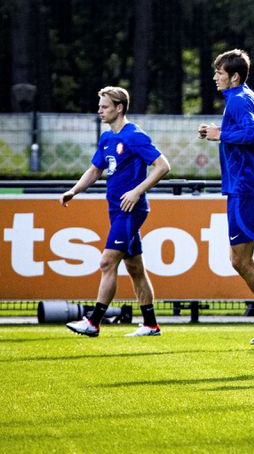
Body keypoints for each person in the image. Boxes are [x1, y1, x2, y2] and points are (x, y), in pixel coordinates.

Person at [197, 49, 254, 349]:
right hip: (245, 186)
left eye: (219, 73)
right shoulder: (243, 97)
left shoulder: (239, 99)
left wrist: (219, 134)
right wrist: (219, 132)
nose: (215, 77)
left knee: (239, 260)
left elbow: (250, 134)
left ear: (234, 76)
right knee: (244, 259)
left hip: (247, 187)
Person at [62, 87, 172, 337]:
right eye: (100, 106)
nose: (100, 110)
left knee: (107, 261)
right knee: (135, 268)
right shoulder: (107, 138)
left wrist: (137, 191)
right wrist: (74, 191)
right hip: (116, 210)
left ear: (119, 108)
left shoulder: (135, 136)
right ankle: (151, 324)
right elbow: (94, 170)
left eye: (105, 106)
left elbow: (163, 166)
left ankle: (93, 322)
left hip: (130, 210)